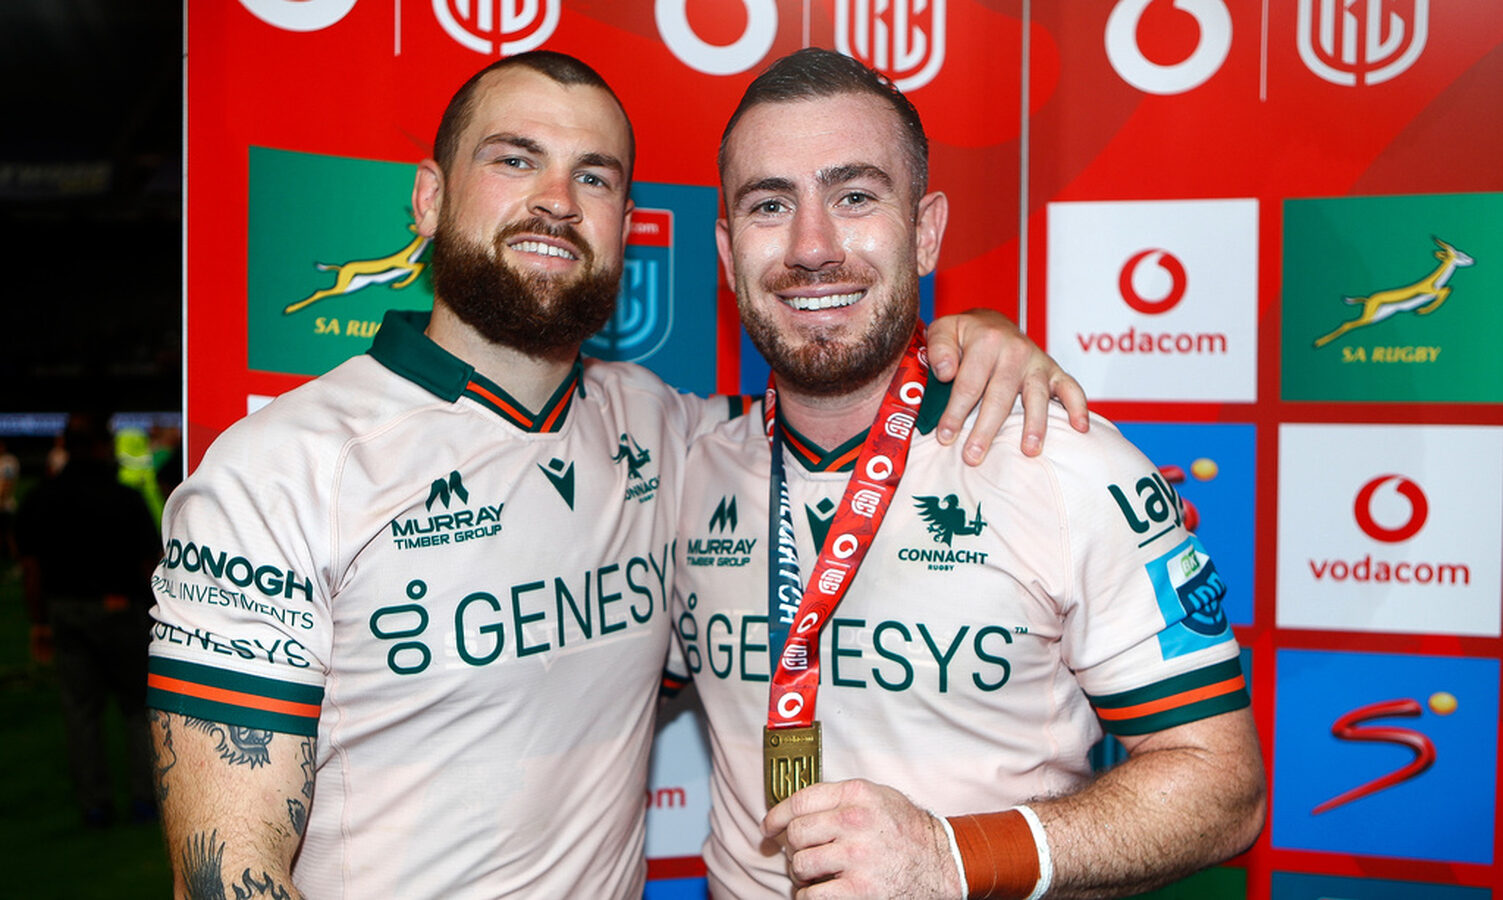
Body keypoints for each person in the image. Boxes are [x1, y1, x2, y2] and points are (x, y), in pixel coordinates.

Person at [145, 51, 1086, 898]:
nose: (557, 199)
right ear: (429, 199)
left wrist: (974, 340)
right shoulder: (279, 470)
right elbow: (228, 872)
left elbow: (835, 397)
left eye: (592, 175)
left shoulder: (665, 431)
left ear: (626, 226)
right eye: (514, 159)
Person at [670, 48, 1265, 899]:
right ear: (727, 252)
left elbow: (1222, 786)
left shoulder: (1063, 463)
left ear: (925, 232)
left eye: (854, 196)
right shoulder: (686, 469)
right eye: (770, 205)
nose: (811, 247)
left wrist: (951, 857)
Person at [16, 413, 162, 828]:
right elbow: (149, 563)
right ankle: (146, 799)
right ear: (102, 446)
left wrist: (39, 622)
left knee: (81, 712)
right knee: (137, 708)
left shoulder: (41, 497)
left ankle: (95, 805)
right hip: (120, 609)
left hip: (66, 611)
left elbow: (31, 568)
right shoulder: (124, 497)